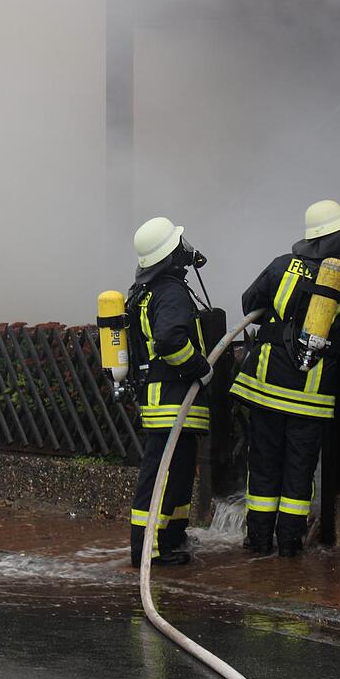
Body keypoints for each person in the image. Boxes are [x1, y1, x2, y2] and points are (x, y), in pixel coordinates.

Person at [229, 200, 340, 557]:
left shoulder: (281, 267)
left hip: (267, 389)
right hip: (311, 396)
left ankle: (257, 541)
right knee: (299, 473)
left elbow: (249, 304)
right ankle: (290, 544)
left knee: (262, 466)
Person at [126, 216, 214, 568]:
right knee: (159, 478)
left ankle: (171, 539)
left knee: (175, 475)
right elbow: (169, 341)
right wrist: (199, 367)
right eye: (179, 244)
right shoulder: (171, 292)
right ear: (171, 253)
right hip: (173, 398)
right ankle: (147, 549)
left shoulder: (148, 291)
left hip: (166, 400)